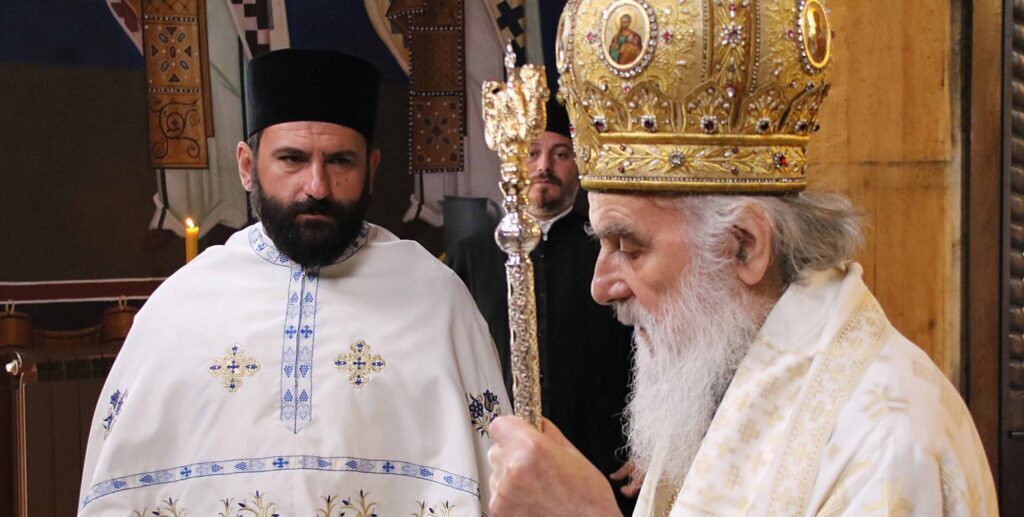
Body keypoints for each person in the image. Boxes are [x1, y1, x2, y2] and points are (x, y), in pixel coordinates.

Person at [486, 1, 999, 515]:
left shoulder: (884, 442)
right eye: (601, 243)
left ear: (745, 247)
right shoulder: (714, 379)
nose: (600, 286)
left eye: (629, 247)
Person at [78, 49, 508, 515]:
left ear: (372, 169)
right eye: (292, 159)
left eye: (341, 161)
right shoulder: (181, 306)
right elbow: (116, 491)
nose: (317, 186)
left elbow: (500, 474)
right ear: (247, 166)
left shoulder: (435, 298)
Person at [447, 99, 637, 512]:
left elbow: (652, 351)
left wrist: (650, 445)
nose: (543, 165)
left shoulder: (612, 249)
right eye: (532, 152)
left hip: (600, 463)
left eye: (560, 154)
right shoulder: (473, 255)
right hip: (500, 464)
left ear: (579, 163)